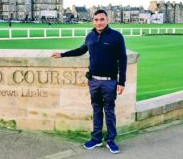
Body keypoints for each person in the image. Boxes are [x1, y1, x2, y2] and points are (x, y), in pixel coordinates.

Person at [51, 9, 127, 154]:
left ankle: (111, 140)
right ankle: (96, 138)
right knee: (97, 109)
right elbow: (81, 50)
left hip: (110, 82)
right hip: (93, 81)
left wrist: (121, 82)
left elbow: (122, 59)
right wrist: (62, 54)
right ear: (93, 21)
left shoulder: (116, 37)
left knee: (109, 111)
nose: (99, 22)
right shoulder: (90, 36)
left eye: (102, 19)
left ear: (107, 20)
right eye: (96, 20)